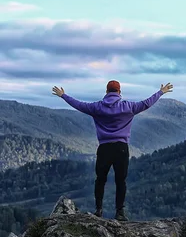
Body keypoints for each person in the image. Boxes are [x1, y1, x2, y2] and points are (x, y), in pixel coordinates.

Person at [52, 80, 174, 221]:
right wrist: (161, 92)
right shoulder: (128, 107)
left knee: (100, 180)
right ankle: (120, 212)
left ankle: (98, 210)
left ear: (106, 92)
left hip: (104, 148)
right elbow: (146, 103)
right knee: (120, 181)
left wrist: (63, 95)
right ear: (119, 92)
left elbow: (79, 105)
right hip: (121, 148)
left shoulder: (97, 107)